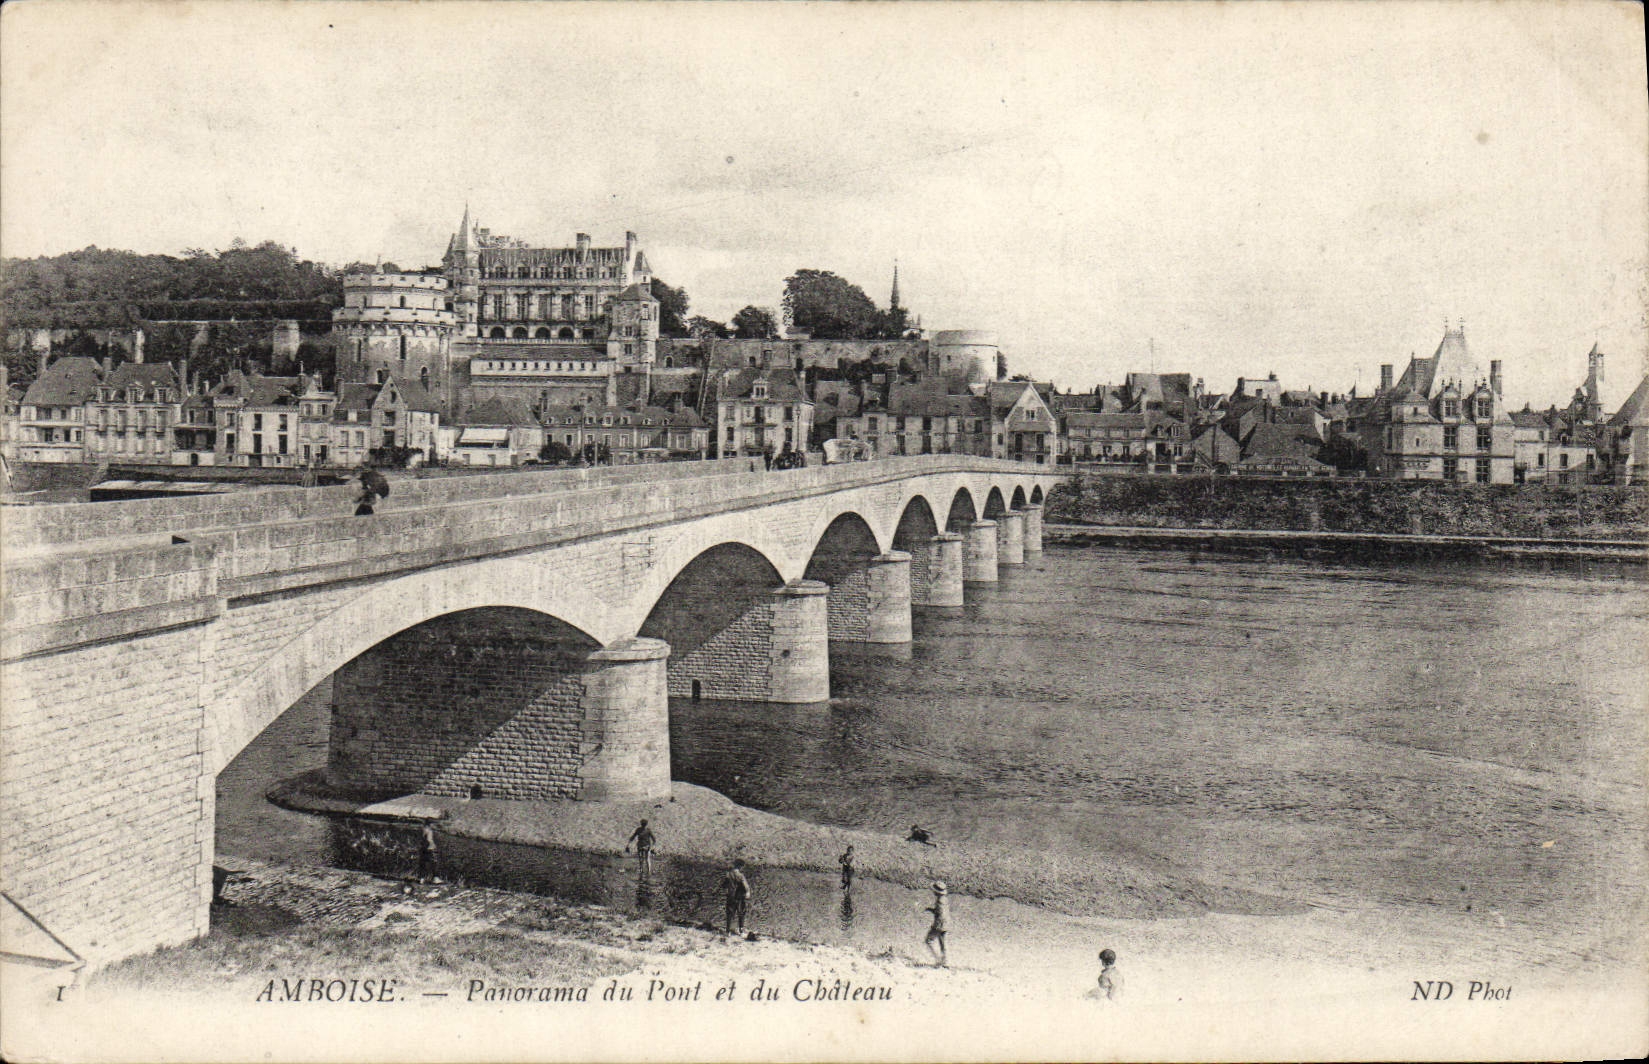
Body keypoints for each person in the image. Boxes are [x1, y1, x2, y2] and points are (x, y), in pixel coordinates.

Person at [723, 859, 751, 936]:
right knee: (741, 912)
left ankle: (727, 931)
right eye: (742, 867)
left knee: (729, 914)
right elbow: (746, 886)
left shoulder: (728, 874)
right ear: (740, 866)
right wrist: (748, 892)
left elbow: (724, 885)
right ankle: (741, 930)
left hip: (730, 896)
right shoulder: (740, 876)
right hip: (739, 897)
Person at [924, 881, 949, 967]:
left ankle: (938, 960)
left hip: (939, 925)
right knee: (943, 944)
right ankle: (945, 962)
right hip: (946, 925)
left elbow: (940, 914)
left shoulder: (940, 901)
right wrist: (931, 910)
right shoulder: (945, 899)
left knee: (928, 941)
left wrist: (936, 926)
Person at [416, 819, 440, 884]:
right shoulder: (430, 831)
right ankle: (435, 878)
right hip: (430, 849)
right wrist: (433, 846)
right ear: (430, 824)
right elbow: (429, 840)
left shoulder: (422, 830)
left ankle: (422, 878)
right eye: (433, 824)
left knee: (423, 864)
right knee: (434, 863)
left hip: (423, 849)